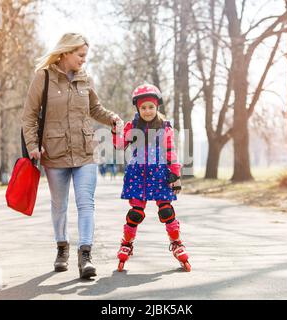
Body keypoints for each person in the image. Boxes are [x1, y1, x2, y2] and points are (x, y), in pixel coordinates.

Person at [22, 33, 123, 279]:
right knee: (59, 205)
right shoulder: (43, 77)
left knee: (86, 203)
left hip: (85, 151)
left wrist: (112, 118)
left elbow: (95, 109)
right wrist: (33, 145)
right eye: (80, 55)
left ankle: (85, 255)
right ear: (66, 52)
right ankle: (62, 248)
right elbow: (29, 116)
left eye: (85, 56)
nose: (84, 61)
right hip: (54, 153)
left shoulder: (84, 78)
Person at [111, 84, 191, 272]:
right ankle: (127, 244)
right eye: (143, 107)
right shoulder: (132, 126)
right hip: (138, 175)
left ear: (157, 108)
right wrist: (115, 131)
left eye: (151, 107)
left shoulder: (165, 128)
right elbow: (120, 146)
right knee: (135, 213)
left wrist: (175, 175)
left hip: (160, 175)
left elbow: (171, 152)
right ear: (138, 108)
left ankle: (177, 242)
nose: (147, 111)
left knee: (166, 211)